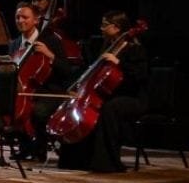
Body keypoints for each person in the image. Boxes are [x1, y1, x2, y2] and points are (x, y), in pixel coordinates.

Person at [57, 11, 149, 173]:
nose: (101, 28)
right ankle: (78, 160)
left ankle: (107, 162)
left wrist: (118, 62)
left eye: (104, 25)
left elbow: (139, 77)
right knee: (90, 110)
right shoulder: (107, 46)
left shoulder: (135, 48)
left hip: (133, 98)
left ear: (116, 27)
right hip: (110, 95)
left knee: (108, 109)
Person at [4, 2, 76, 162]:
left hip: (50, 90)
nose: (20, 20)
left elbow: (67, 70)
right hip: (25, 89)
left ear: (36, 20)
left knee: (38, 112)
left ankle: (39, 149)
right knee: (9, 109)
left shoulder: (51, 40)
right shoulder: (14, 44)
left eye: (25, 17)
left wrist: (49, 55)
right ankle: (25, 146)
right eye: (18, 17)